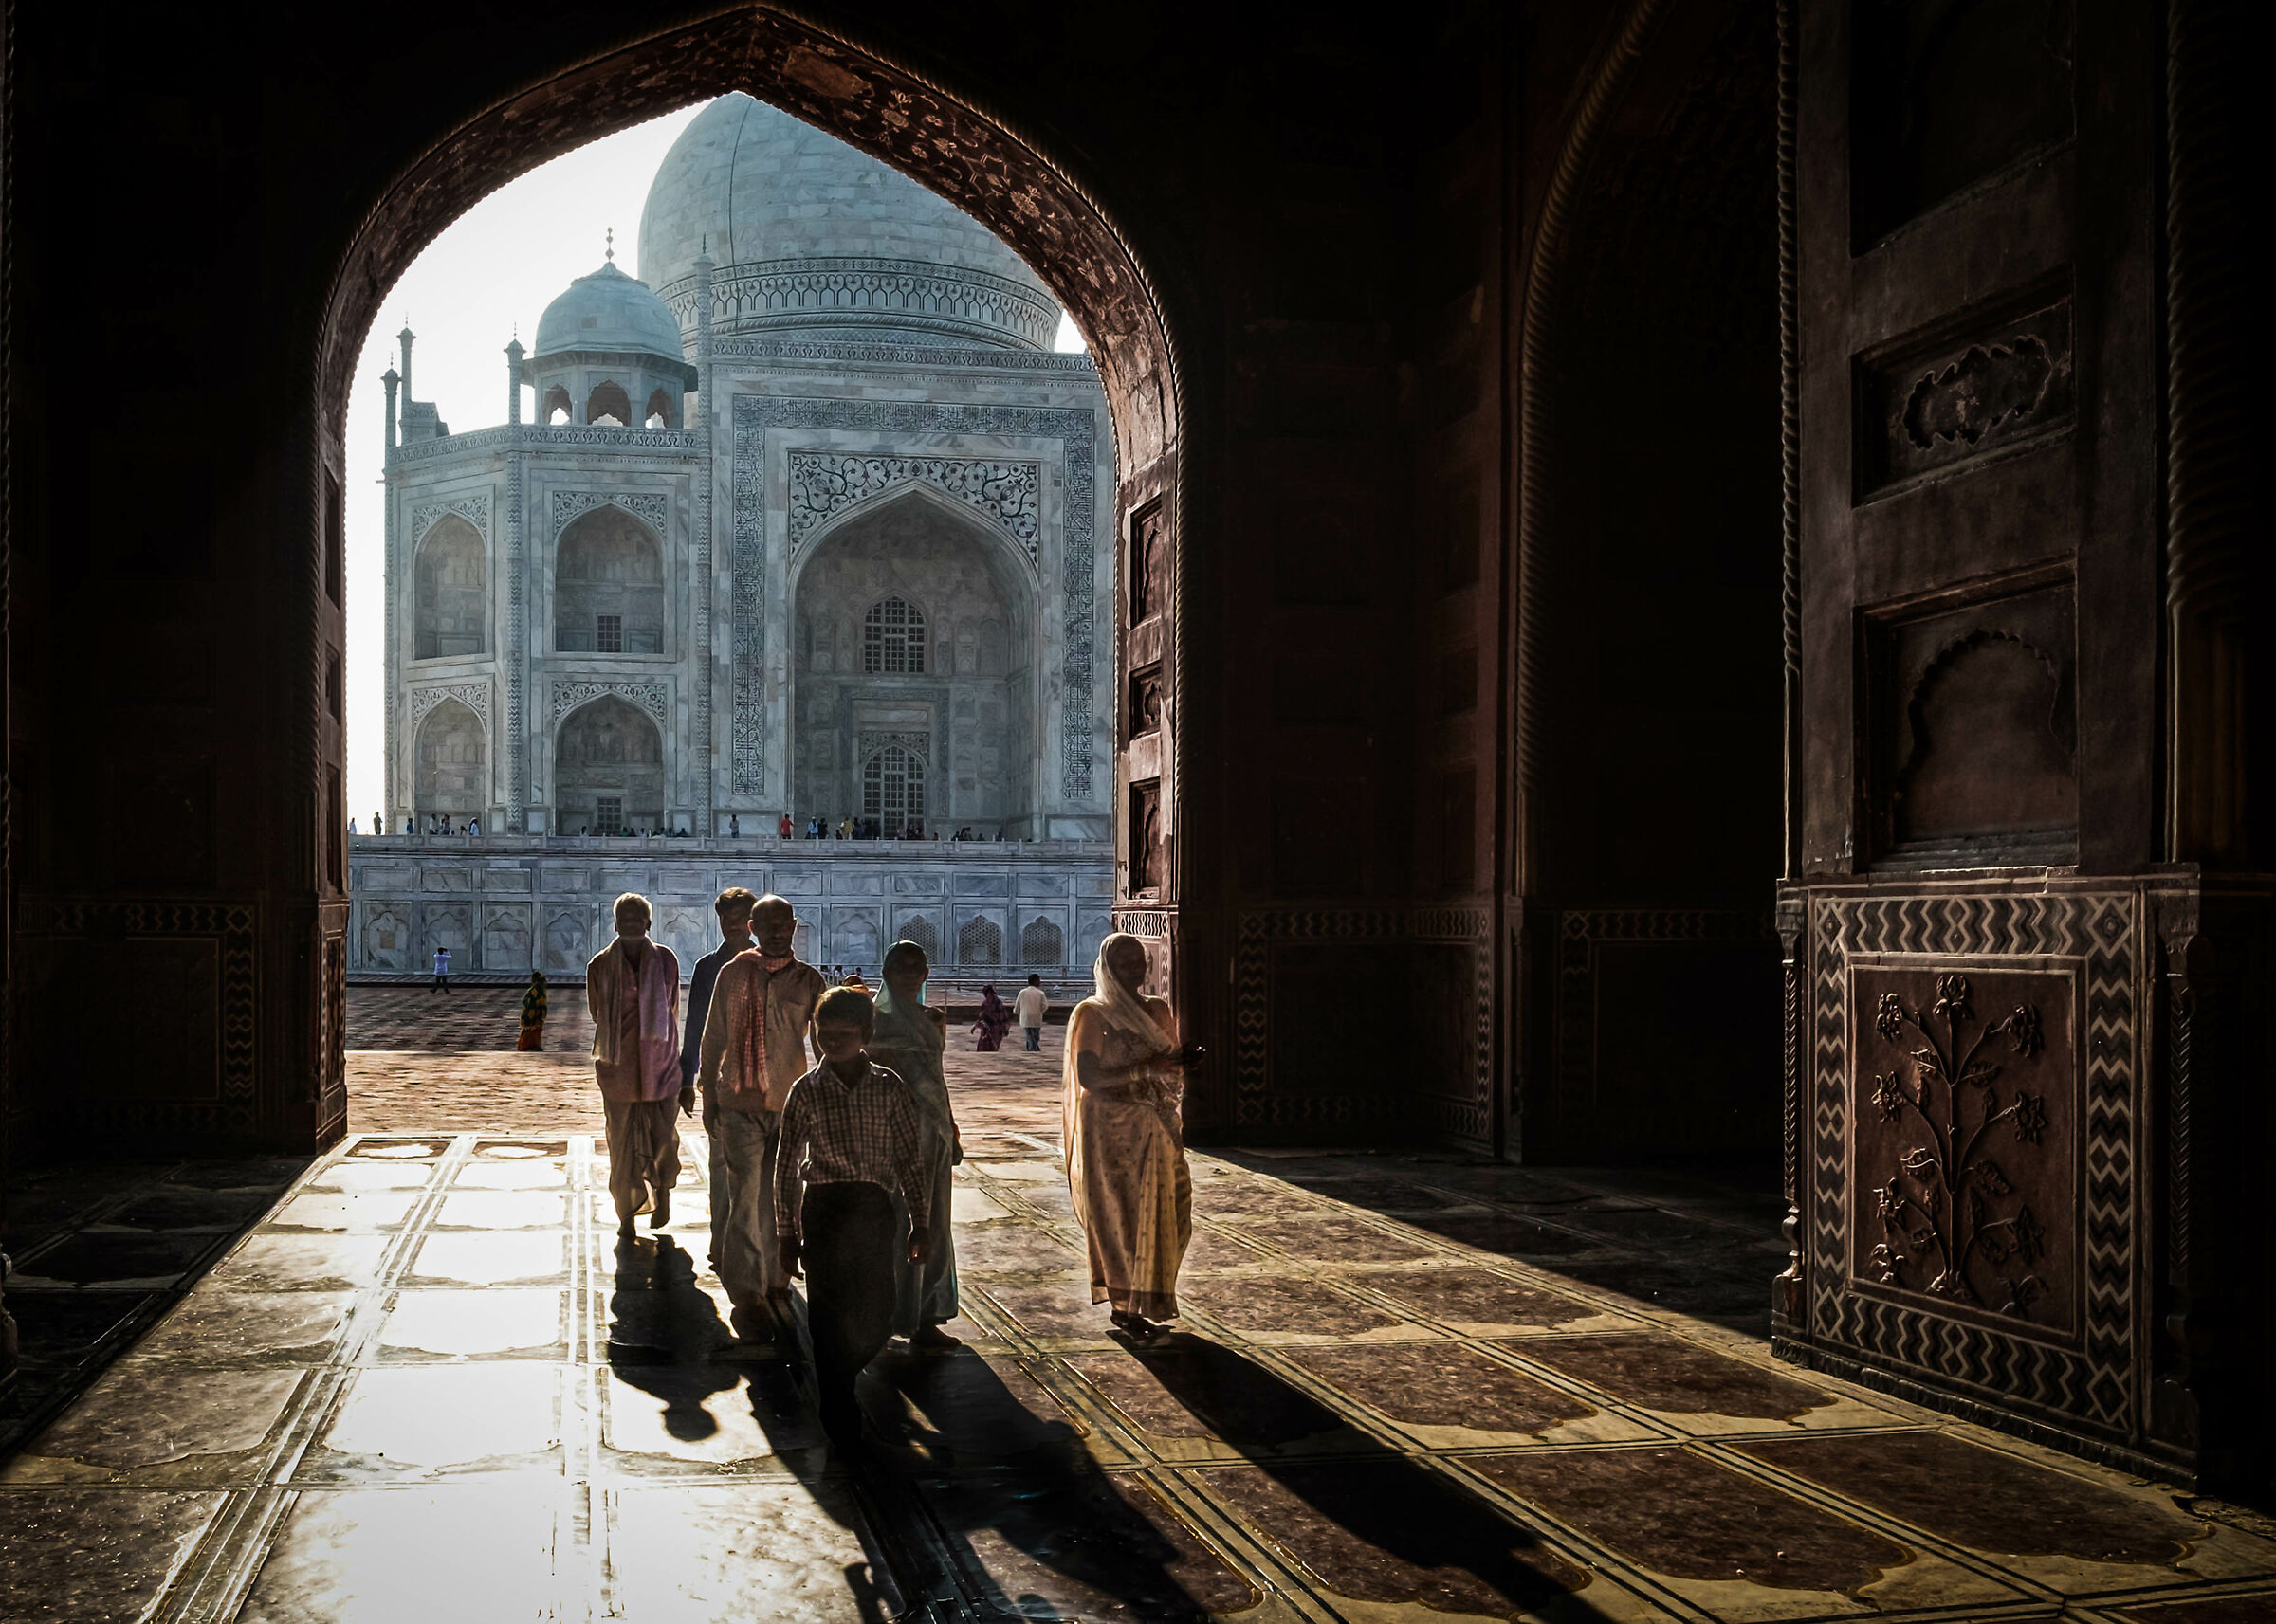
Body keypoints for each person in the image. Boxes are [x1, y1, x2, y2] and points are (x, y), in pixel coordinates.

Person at [775, 986, 932, 1443]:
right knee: (826, 1313)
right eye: (825, 1034)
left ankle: (844, 1369)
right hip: (824, 1207)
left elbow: (909, 1160)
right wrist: (787, 1234)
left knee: (878, 1312)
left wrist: (920, 1223)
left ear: (866, 1034)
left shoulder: (888, 1087)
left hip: (873, 1209)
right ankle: (837, 1398)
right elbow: (786, 1167)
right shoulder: (805, 1091)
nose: (834, 1042)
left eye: (845, 1034)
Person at [695, 893, 827, 1337]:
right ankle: (746, 1290)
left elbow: (826, 1039)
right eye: (766, 924)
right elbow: (714, 1036)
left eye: (783, 923)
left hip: (790, 1105)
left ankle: (777, 1277)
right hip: (738, 1101)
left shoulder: (809, 981)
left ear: (793, 926)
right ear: (753, 928)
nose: (776, 931)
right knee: (746, 1194)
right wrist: (707, 1094)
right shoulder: (733, 974)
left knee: (785, 1195)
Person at [1064, 933, 1202, 1338]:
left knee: (1174, 1211)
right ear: (1107, 967)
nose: (1136, 969)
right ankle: (1125, 1307)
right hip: (1111, 1129)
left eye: (1140, 960)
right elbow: (1088, 1077)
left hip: (1157, 1126)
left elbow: (1166, 1066)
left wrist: (1180, 1062)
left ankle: (1153, 1295)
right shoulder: (1093, 1014)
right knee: (1122, 1215)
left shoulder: (1157, 1009)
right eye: (1125, 962)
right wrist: (1148, 1069)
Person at [869, 942, 961, 1351]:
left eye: (917, 967)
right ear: (886, 972)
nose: (910, 974)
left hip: (933, 1132)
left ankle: (925, 1314)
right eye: (901, 967)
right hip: (891, 1133)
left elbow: (938, 1080)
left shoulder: (931, 1019)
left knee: (933, 1222)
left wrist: (953, 1129)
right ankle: (886, 1312)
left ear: (926, 973)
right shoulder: (871, 1017)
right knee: (894, 1223)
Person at [587, 893, 688, 1239]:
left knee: (662, 1138)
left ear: (648, 922)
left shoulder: (666, 961)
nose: (631, 923)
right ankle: (626, 1213)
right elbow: (598, 1013)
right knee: (622, 1144)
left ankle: (663, 1197)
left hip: (660, 1067)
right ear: (615, 924)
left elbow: (672, 1008)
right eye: (625, 918)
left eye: (637, 917)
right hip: (619, 1070)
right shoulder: (599, 966)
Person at [1015, 975, 1050, 1052]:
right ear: (1035, 981)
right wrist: (1040, 1011)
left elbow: (1018, 1004)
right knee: (1035, 1035)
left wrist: (1016, 1011)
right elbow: (1045, 1006)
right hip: (1036, 1017)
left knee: (1029, 1035)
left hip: (1025, 1017)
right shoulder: (1040, 993)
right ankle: (1033, 1049)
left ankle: (1031, 1049)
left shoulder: (1022, 992)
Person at [972, 985, 1013, 1052]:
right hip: (998, 1030)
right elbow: (1004, 1017)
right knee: (994, 1046)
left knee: (984, 1047)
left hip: (988, 1029)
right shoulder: (999, 1002)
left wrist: (975, 1026)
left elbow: (982, 1017)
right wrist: (1005, 1029)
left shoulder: (986, 1003)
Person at [517, 970, 548, 1050]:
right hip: (537, 1013)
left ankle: (527, 1045)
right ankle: (533, 1045)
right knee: (534, 1031)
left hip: (532, 1013)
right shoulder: (540, 989)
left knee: (530, 1031)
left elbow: (527, 1001)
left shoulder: (535, 989)